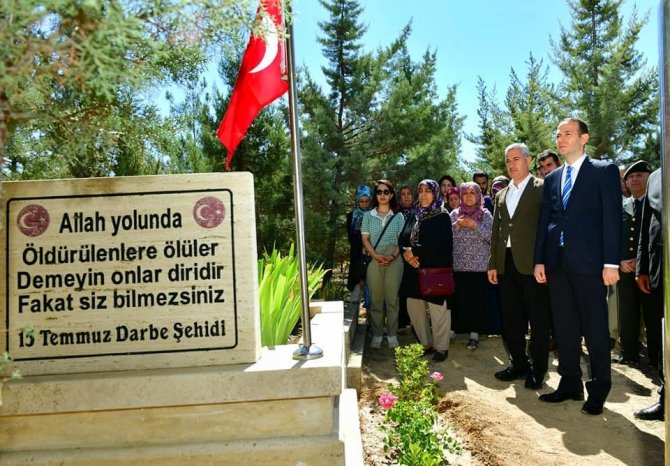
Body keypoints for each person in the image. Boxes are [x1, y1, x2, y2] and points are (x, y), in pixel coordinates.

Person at [534, 118, 622, 416]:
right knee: (565, 328)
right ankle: (570, 383)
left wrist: (611, 262)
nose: (561, 138)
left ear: (584, 138)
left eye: (568, 133)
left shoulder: (603, 171)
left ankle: (598, 389)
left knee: (596, 330)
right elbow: (546, 222)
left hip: (591, 266)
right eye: (558, 134)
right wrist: (539, 260)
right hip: (557, 266)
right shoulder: (552, 178)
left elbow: (612, 218)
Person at [488, 143, 550, 389]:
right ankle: (518, 364)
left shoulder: (543, 188)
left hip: (533, 265)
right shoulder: (501, 195)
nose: (512, 164)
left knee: (538, 320)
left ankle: (538, 370)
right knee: (511, 320)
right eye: (508, 161)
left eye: (516, 159)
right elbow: (496, 231)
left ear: (529, 160)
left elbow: (548, 228)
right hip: (506, 265)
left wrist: (542, 260)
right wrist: (493, 263)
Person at [399, 179, 454, 361]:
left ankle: (441, 348)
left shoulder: (442, 216)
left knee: (438, 311)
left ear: (436, 194)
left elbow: (440, 245)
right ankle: (426, 343)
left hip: (434, 270)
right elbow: (403, 238)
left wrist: (413, 252)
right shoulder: (413, 214)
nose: (423, 194)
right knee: (414, 308)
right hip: (413, 271)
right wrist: (405, 253)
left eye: (428, 191)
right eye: (420, 190)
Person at [613, 160, 651, 366]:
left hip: (650, 270)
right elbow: (615, 238)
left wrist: (642, 261)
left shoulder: (657, 203)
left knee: (653, 315)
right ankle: (629, 353)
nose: (634, 179)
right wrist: (620, 261)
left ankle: (657, 358)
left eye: (640, 175)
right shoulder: (622, 207)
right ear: (626, 182)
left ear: (649, 178)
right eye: (630, 177)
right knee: (627, 311)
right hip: (626, 269)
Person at [634, 168, 664, 420]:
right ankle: (666, 396)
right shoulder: (655, 176)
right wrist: (642, 267)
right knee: (662, 332)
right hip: (657, 269)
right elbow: (645, 226)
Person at [361, 180, 405, 349]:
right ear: (376, 195)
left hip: (395, 260)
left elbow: (401, 241)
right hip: (374, 259)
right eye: (379, 192)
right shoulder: (367, 216)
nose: (382, 195)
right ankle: (378, 334)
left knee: (392, 299)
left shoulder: (398, 216)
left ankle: (392, 334)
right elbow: (365, 239)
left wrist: (392, 257)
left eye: (386, 192)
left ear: (391, 195)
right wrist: (376, 256)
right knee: (376, 300)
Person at [451, 182, 493, 350]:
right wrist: (458, 225)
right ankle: (454, 329)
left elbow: (490, 237)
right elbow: (446, 236)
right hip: (458, 264)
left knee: (476, 301)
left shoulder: (485, 215)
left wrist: (475, 225)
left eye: (472, 193)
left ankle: (474, 334)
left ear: (478, 195)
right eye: (465, 193)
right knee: (457, 300)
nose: (469, 196)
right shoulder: (454, 213)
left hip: (479, 266)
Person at [346, 185, 372, 314]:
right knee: (356, 292)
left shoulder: (374, 215)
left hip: (372, 256)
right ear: (357, 200)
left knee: (372, 293)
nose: (364, 204)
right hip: (357, 257)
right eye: (361, 201)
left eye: (367, 201)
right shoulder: (351, 216)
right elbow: (351, 239)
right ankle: (353, 323)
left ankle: (371, 326)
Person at [396, 184, 415, 331]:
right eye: (403, 194)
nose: (407, 196)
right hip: (397, 255)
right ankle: (402, 321)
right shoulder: (395, 213)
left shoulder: (419, 212)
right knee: (400, 290)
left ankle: (414, 322)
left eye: (409, 193)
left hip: (415, 255)